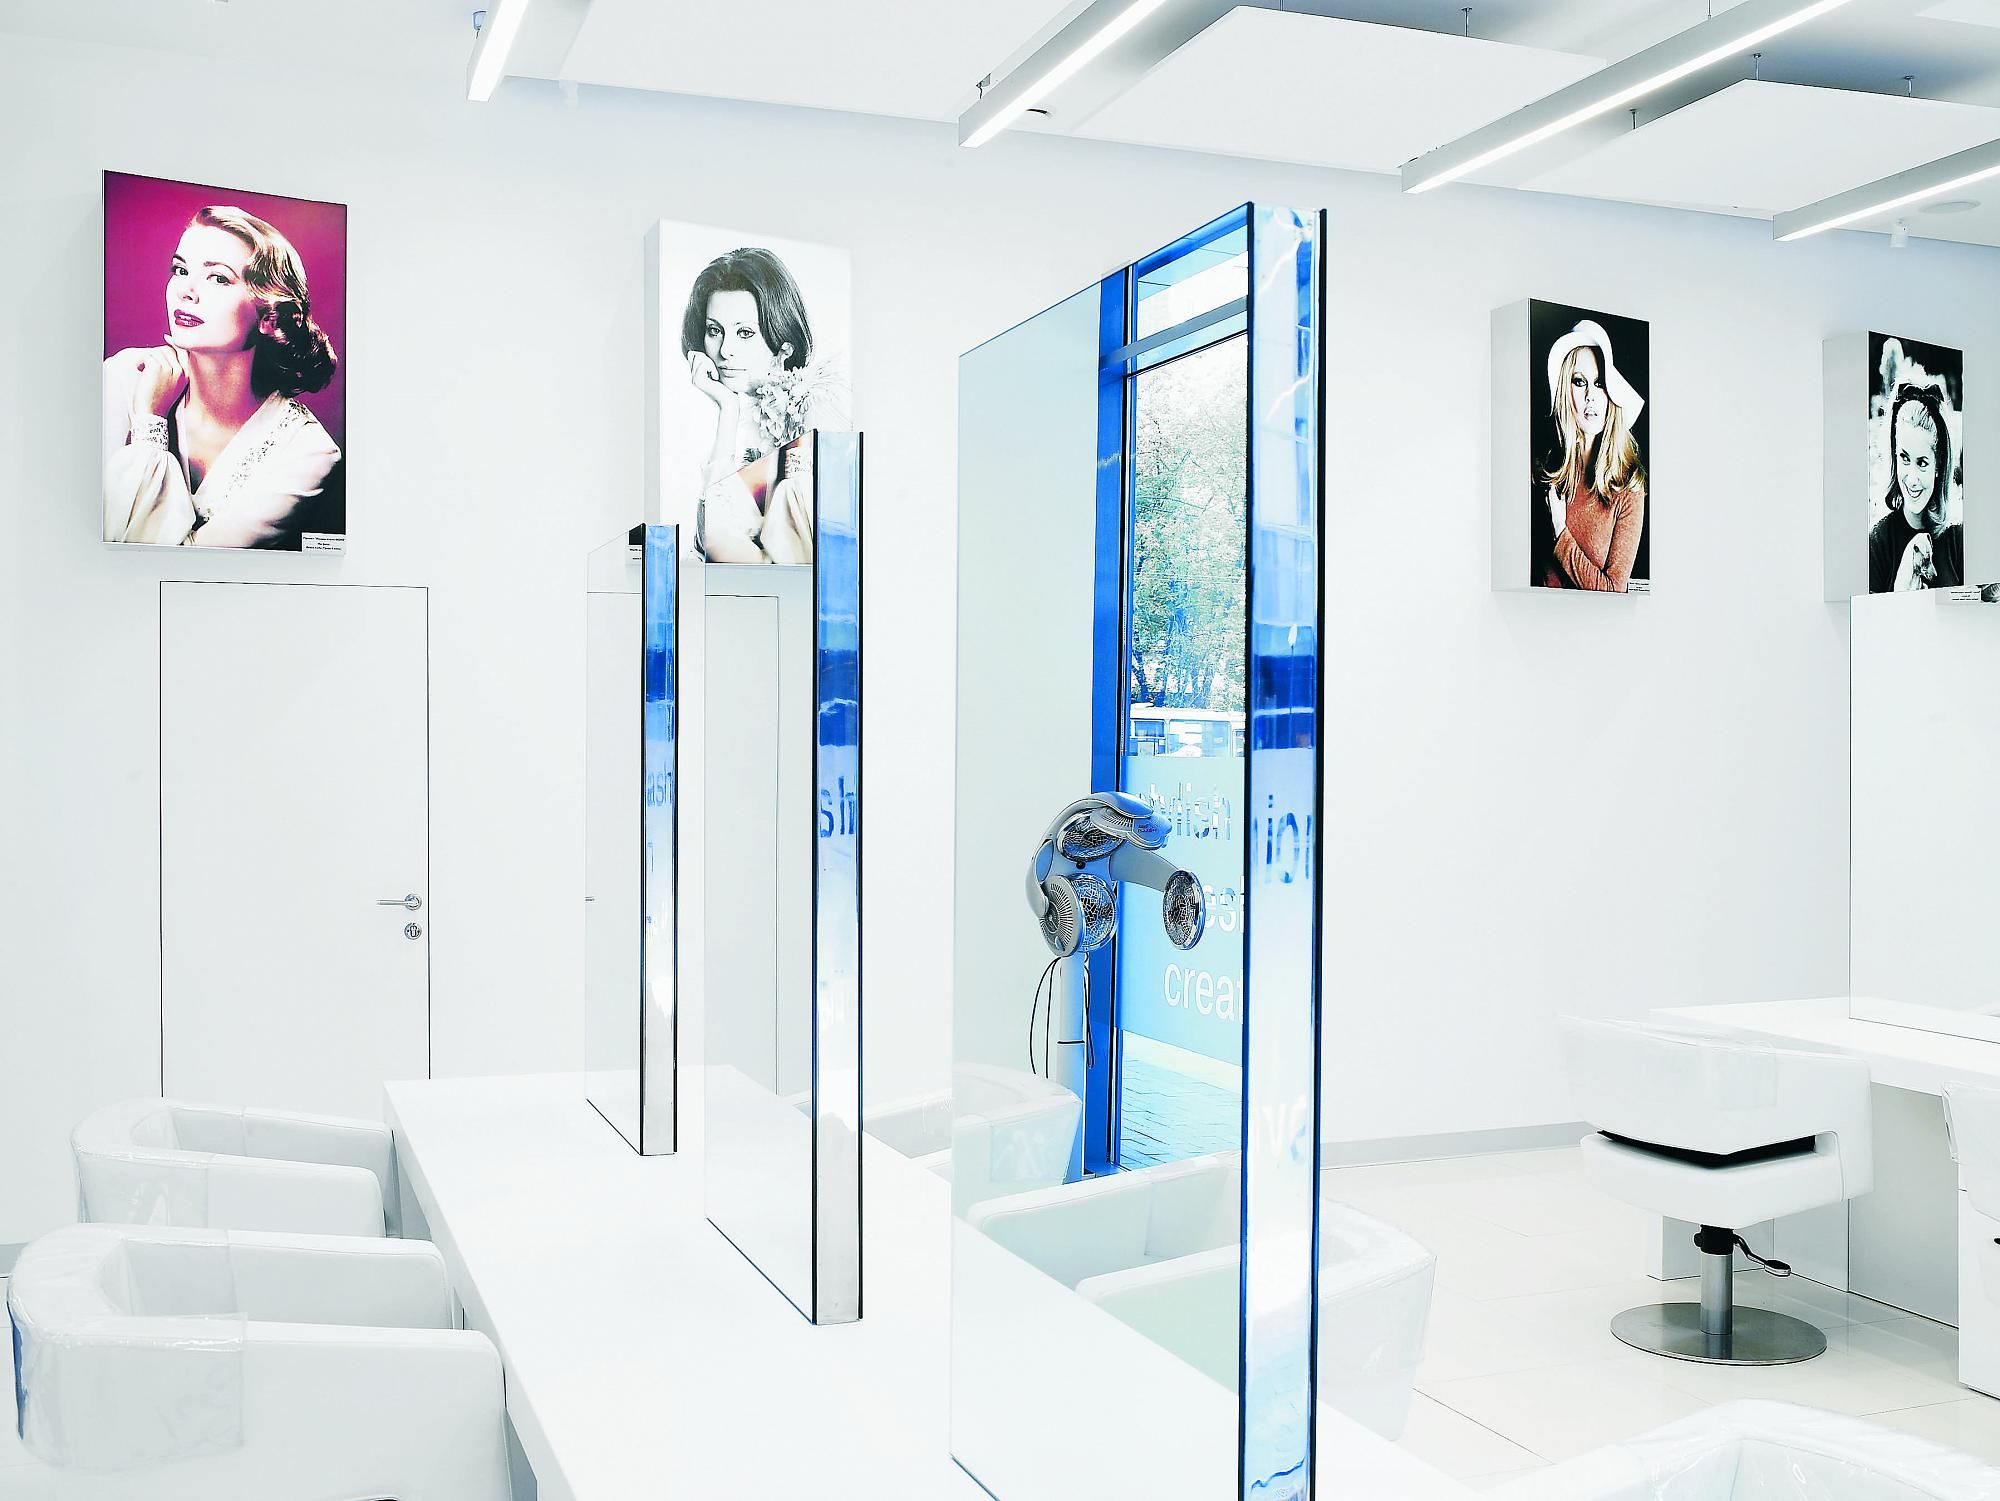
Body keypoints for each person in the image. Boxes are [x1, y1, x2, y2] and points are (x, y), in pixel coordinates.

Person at [103, 205, 341, 548]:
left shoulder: (308, 453)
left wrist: (149, 424)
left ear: (270, 318)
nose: (186, 291)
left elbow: (180, 566)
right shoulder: (123, 376)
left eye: (218, 278)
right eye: (180, 270)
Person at [681, 246, 843, 563]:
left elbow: (721, 544)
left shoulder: (813, 417)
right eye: (715, 331)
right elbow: (707, 546)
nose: (725, 350)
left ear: (784, 346)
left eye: (744, 333)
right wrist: (728, 410)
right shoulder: (740, 422)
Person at [1538, 319, 1647, 592]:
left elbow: (1613, 590)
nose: (1591, 396)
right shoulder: (1545, 473)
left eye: (1600, 383)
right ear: (1565, 391)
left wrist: (1560, 530)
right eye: (1579, 382)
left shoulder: (1628, 487)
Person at [1868, 383, 1962, 593]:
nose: (1912, 479)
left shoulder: (1958, 538)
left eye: (1922, 463)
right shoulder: (1877, 543)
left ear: (1938, 464)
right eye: (1904, 458)